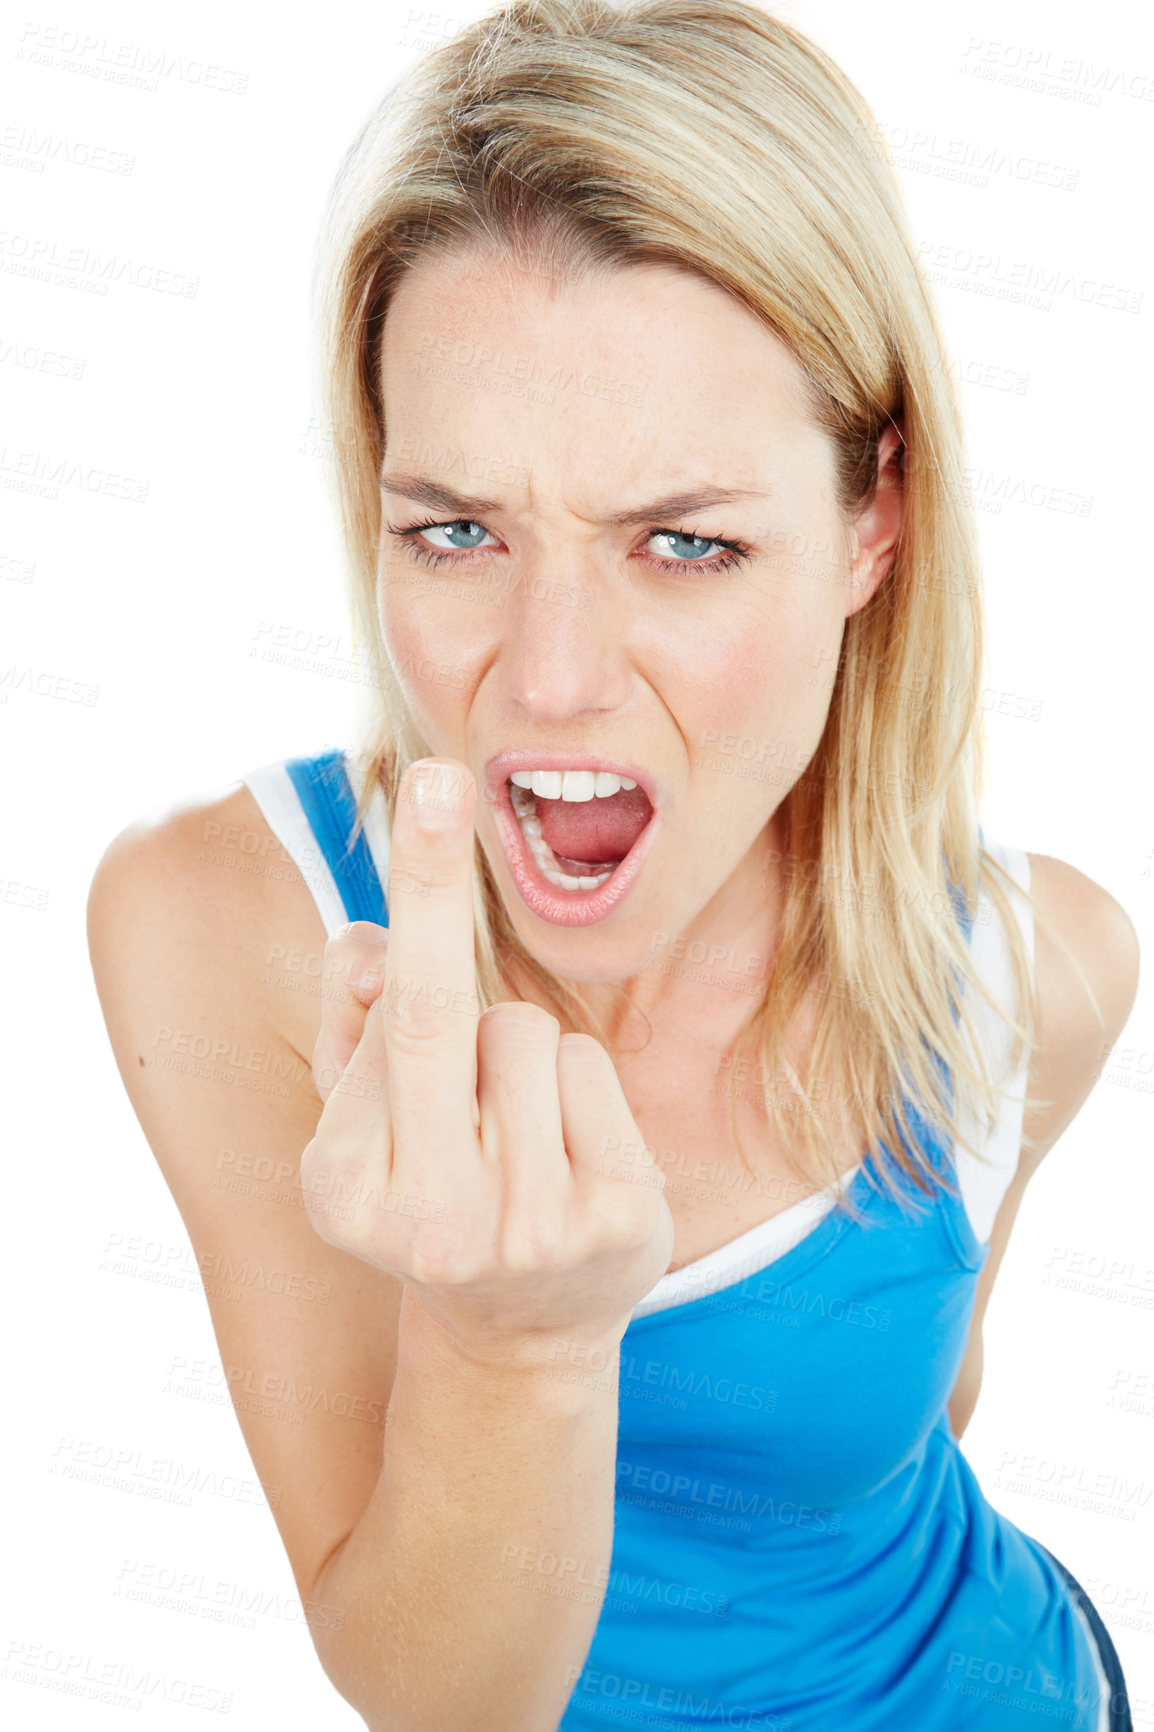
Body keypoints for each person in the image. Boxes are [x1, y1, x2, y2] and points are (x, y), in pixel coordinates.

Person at [86, 2, 1140, 1727]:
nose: (550, 674)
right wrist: (519, 1344)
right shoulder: (219, 922)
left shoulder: (1044, 968)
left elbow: (926, 1420)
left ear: (873, 523)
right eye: (457, 530)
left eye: (684, 542)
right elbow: (436, 1694)